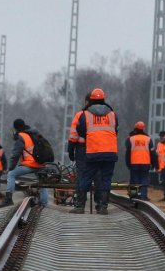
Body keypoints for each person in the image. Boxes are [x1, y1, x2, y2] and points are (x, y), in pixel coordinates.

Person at [71, 87, 118, 215]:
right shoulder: (112, 114)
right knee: (105, 179)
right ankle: (103, 207)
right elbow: (115, 130)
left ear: (90, 100)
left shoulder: (85, 114)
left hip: (93, 151)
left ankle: (80, 206)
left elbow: (80, 131)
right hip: (110, 152)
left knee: (85, 177)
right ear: (104, 99)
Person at [0, 118, 51, 207]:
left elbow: (15, 154)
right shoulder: (34, 133)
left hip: (30, 164)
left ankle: (8, 199)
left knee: (11, 174)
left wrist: (11, 168)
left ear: (16, 128)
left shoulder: (21, 136)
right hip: (41, 163)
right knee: (42, 182)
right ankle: (44, 205)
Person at [66, 98, 89, 207]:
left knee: (82, 175)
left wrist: (70, 150)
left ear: (86, 102)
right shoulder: (107, 115)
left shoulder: (80, 115)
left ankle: (80, 204)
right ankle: (101, 206)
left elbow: (74, 135)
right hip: (100, 150)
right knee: (100, 176)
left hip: (82, 149)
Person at [125, 121, 155, 200]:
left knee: (134, 180)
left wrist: (128, 163)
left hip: (134, 163)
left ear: (135, 128)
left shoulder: (131, 139)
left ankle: (134, 196)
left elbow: (128, 153)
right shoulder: (148, 139)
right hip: (145, 163)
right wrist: (154, 163)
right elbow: (152, 153)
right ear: (143, 129)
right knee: (144, 180)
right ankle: (143, 196)